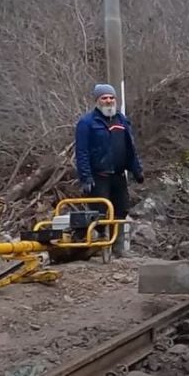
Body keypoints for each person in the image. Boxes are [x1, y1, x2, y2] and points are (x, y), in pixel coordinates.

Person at [75, 84, 144, 256]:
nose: (108, 101)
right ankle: (101, 247)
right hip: (98, 176)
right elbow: (81, 152)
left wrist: (136, 169)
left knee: (121, 210)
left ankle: (118, 248)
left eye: (111, 98)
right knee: (99, 212)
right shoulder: (87, 123)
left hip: (118, 175)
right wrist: (85, 177)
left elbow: (130, 148)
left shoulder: (122, 120)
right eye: (104, 98)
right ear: (97, 100)